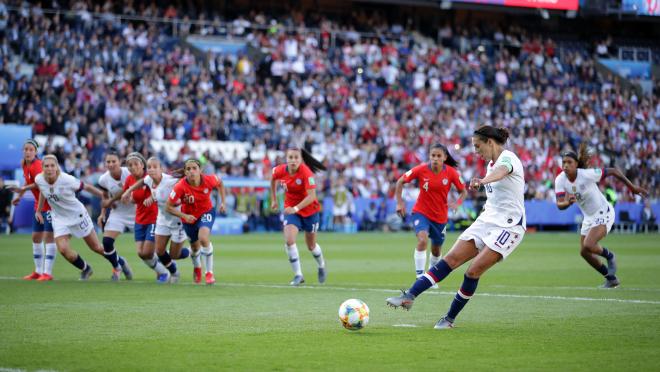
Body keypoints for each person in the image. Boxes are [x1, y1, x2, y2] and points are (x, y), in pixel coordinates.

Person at [386, 126, 526, 329]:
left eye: (478, 147)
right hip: (487, 220)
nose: (476, 152)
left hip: (510, 226)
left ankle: (449, 319)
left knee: (472, 271)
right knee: (450, 259)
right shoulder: (490, 164)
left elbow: (502, 171)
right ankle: (409, 295)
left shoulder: (508, 158)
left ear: (490, 142)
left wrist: (482, 181)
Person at [555, 144, 648, 288]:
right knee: (584, 252)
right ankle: (611, 278)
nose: (566, 165)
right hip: (589, 217)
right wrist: (567, 203)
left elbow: (613, 171)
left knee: (589, 244)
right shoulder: (560, 180)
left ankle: (610, 256)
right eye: (564, 162)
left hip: (604, 212)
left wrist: (632, 188)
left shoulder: (586, 175)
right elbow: (559, 204)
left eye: (569, 162)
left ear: (576, 164)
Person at [13, 155, 111, 280]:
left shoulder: (66, 179)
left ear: (57, 167)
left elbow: (86, 187)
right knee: (64, 250)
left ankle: (118, 261)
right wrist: (38, 211)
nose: (49, 169)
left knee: (96, 248)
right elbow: (43, 190)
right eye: (46, 166)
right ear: (42, 168)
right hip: (60, 218)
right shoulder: (39, 179)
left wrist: (103, 195)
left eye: (52, 165)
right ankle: (86, 268)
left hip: (77, 215)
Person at [395, 144, 467, 280]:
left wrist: (457, 203)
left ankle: (431, 277)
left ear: (445, 158)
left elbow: (463, 191)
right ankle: (420, 277)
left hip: (440, 217)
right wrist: (399, 202)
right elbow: (400, 181)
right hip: (421, 212)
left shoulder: (451, 173)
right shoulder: (421, 169)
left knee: (436, 249)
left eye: (438, 156)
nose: (435, 159)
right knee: (422, 240)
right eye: (433, 155)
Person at [122, 157, 191, 283]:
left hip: (178, 220)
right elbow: (142, 182)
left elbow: (187, 181)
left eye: (155, 167)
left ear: (161, 169)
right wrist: (128, 191)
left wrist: (182, 199)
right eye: (149, 167)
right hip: (162, 220)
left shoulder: (171, 180)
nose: (152, 169)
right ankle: (174, 272)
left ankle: (192, 251)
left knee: (174, 255)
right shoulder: (149, 179)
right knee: (159, 251)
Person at [105, 152, 169, 282]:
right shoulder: (129, 179)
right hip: (140, 218)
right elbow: (134, 198)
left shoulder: (149, 176)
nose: (133, 167)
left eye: (136, 164)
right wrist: (129, 199)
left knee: (147, 252)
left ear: (142, 165)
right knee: (141, 253)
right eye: (130, 165)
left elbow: (158, 189)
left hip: (154, 217)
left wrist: (150, 197)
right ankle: (163, 265)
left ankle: (165, 272)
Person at [270, 147, 327, 286]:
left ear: (301, 159)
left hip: (310, 212)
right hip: (291, 211)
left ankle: (321, 265)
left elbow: (312, 196)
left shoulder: (306, 173)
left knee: (311, 246)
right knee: (289, 240)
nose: (293, 160)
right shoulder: (279, 171)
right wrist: (274, 199)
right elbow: (273, 180)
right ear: (286, 159)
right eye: (290, 157)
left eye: (296, 157)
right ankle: (298, 275)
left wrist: (295, 208)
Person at [166, 158, 226, 285]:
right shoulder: (180, 186)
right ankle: (197, 266)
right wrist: (184, 215)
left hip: (206, 212)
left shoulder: (209, 180)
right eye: (188, 169)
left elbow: (220, 183)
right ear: (185, 172)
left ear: (200, 170)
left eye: (194, 168)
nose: (192, 171)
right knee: (194, 248)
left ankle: (209, 273)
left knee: (203, 238)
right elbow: (168, 207)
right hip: (188, 218)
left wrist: (223, 203)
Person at [10, 140, 56, 281]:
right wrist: (19, 196)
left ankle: (47, 273)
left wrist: (23, 190)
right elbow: (27, 182)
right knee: (36, 237)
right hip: (39, 206)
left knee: (49, 238)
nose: (28, 152)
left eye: (31, 149)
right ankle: (37, 271)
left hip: (50, 206)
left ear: (36, 152)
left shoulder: (37, 165)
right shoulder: (24, 164)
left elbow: (39, 184)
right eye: (25, 149)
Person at [97, 150, 134, 281]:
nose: (111, 164)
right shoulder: (103, 179)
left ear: (120, 162)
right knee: (107, 242)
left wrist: (129, 196)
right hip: (118, 212)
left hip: (137, 212)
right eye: (108, 162)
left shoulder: (129, 172)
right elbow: (105, 197)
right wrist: (102, 214)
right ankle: (118, 266)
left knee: (149, 249)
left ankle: (164, 269)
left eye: (114, 161)